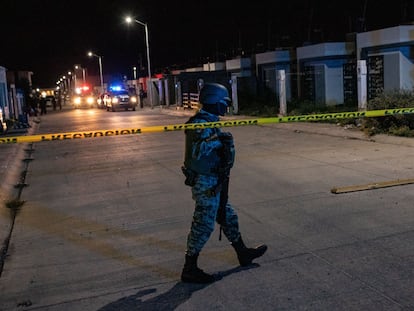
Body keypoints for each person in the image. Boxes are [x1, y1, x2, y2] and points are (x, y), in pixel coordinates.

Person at [181, 83, 267, 283]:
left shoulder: (210, 121)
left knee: (228, 216)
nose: (225, 107)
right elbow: (197, 152)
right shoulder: (199, 124)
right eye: (223, 103)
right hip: (206, 182)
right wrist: (219, 140)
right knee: (203, 224)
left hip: (215, 180)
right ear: (213, 100)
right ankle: (189, 268)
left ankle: (242, 252)